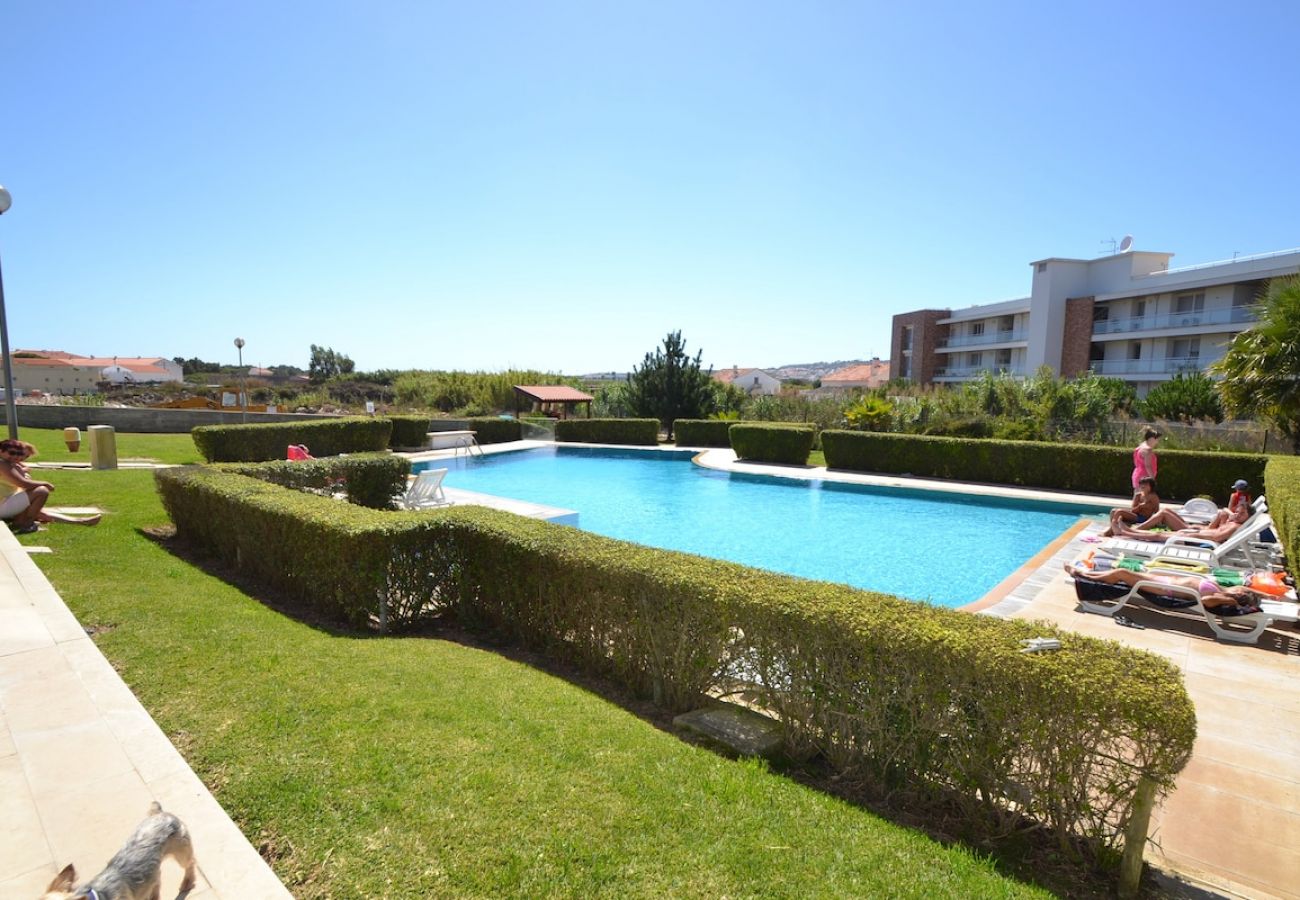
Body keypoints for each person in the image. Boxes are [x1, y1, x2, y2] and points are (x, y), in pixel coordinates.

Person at [1064, 562, 1264, 614]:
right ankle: (1084, 573)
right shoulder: (1222, 588)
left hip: (1162, 589)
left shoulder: (1221, 596)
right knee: (1120, 572)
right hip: (1165, 581)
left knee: (1122, 573)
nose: (1241, 586)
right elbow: (1245, 591)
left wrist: (1229, 600)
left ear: (1239, 595)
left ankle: (1081, 574)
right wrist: (1261, 594)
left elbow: (1204, 602)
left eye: (1243, 590)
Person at [0, 439, 100, 532]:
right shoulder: (2, 464)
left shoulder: (9, 464)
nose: (15, 456)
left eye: (18, 454)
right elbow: (23, 483)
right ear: (1, 451)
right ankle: (26, 524)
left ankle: (80, 521)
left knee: (37, 510)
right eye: (12, 453)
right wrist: (45, 483)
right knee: (41, 491)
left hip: (5, 502)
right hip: (2, 505)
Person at [1113, 504, 1247, 544]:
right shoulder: (1232, 523)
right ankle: (1127, 532)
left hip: (1195, 536)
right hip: (1195, 532)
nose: (1237, 515)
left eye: (1242, 514)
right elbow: (1215, 528)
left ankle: (1126, 532)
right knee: (1160, 533)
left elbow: (1216, 537)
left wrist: (1197, 535)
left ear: (1248, 517)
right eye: (1237, 512)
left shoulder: (1235, 526)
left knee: (1159, 535)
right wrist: (1228, 517)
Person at [1131, 428, 1161, 492]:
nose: (1157, 442)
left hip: (1137, 475)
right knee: (1144, 499)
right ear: (1152, 439)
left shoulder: (1140, 447)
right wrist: (1153, 480)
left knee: (1137, 498)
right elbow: (1148, 466)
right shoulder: (1148, 450)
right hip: (1145, 478)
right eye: (1157, 439)